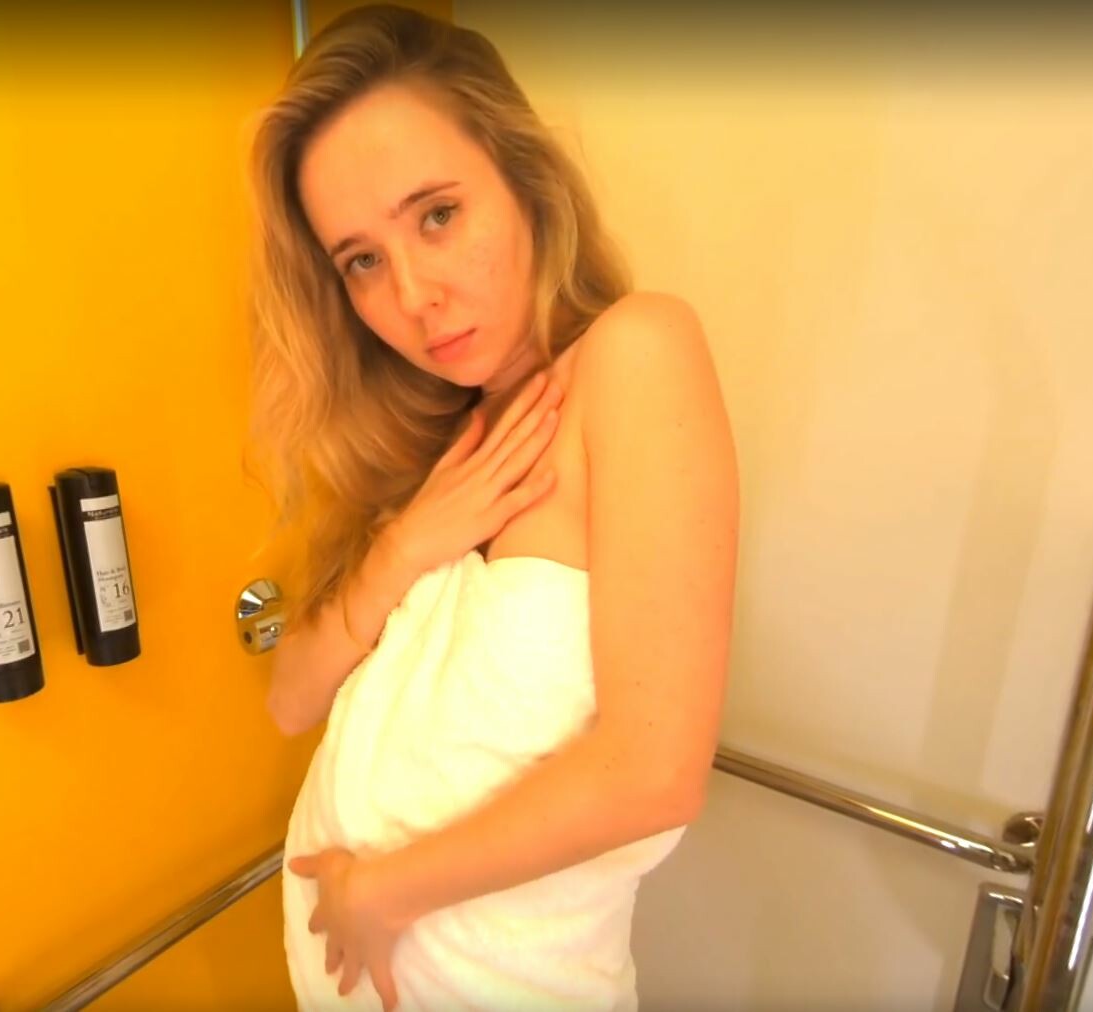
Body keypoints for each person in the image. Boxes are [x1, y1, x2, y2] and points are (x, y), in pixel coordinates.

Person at [244, 5, 739, 1009]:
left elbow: (653, 770)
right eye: (361, 261)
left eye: (436, 215)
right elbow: (289, 698)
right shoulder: (430, 445)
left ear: (523, 177)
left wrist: (379, 893)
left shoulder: (634, 355)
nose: (412, 296)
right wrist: (406, 546)